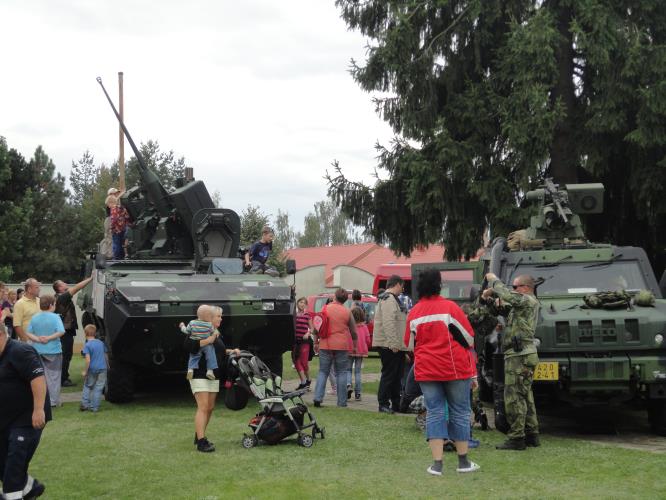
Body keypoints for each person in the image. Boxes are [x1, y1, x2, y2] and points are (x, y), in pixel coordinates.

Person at [405, 268, 480, 475]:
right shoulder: (450, 308)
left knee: (435, 413)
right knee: (460, 412)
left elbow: (409, 344)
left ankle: (437, 464)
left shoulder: (414, 313)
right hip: (454, 368)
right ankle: (463, 462)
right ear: (439, 284)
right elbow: (469, 338)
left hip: (427, 370)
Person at [483, 272, 540, 450]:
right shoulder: (521, 306)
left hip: (519, 355)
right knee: (525, 396)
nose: (513, 291)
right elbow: (502, 308)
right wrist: (490, 299)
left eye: (515, 287)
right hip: (523, 354)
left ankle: (516, 438)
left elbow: (507, 295)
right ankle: (531, 434)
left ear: (525, 288)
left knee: (513, 397)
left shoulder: (527, 300)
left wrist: (493, 281)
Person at [0, 320, 50, 499]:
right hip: (5, 418)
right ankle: (31, 488)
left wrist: (38, 410)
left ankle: (13, 496)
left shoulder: (20, 351)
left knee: (14, 463)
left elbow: (37, 380)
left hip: (27, 418)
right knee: (3, 465)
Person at [183, 305, 239, 452]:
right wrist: (209, 339)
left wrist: (231, 351)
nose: (221, 318)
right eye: (218, 316)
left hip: (213, 375)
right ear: (210, 318)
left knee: (210, 408)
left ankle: (199, 434)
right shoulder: (196, 331)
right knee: (203, 407)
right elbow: (190, 346)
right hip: (199, 373)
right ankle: (201, 442)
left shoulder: (217, 333)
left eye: (221, 316)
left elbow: (219, 350)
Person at [313, 288, 358, 408]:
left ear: (334, 296)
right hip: (341, 345)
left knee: (323, 371)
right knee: (342, 373)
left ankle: (318, 397)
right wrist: (354, 345)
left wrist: (315, 342)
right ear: (345, 300)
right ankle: (342, 402)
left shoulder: (325, 308)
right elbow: (354, 332)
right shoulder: (347, 312)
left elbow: (317, 326)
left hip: (325, 344)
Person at [373, 274, 409, 413]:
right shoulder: (388, 299)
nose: (403, 289)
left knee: (396, 376)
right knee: (389, 375)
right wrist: (394, 343)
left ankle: (396, 403)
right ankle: (383, 404)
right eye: (402, 286)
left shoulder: (392, 299)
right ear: (397, 284)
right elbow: (389, 322)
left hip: (395, 345)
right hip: (389, 345)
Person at [53, 276, 92, 387]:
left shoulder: (60, 297)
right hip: (64, 331)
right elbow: (76, 288)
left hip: (66, 330)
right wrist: (90, 279)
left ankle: (64, 377)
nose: (65, 283)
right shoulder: (62, 298)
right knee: (65, 355)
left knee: (67, 354)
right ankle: (63, 379)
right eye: (63, 283)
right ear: (59, 288)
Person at [26, 295, 64, 408]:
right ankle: (53, 400)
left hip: (37, 350)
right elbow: (61, 331)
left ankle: (42, 400)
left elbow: (28, 332)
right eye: (55, 304)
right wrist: (49, 338)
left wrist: (38, 339)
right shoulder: (55, 317)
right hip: (54, 351)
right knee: (54, 376)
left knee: (40, 376)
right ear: (51, 305)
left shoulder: (35, 317)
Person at [180, 305, 218, 381]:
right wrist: (216, 333)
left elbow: (186, 331)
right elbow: (213, 333)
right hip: (207, 345)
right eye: (211, 316)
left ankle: (190, 369)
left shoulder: (192, 323)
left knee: (193, 356)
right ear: (207, 316)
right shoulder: (210, 325)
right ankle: (210, 370)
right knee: (211, 354)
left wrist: (182, 326)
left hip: (195, 344)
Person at [80, 324, 108, 412]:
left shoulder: (87, 345)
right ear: (95, 333)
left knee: (88, 386)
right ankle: (94, 407)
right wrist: (108, 365)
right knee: (99, 388)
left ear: (85, 333)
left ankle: (84, 405)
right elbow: (105, 355)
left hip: (92, 368)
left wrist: (85, 371)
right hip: (103, 368)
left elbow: (88, 360)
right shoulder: (101, 343)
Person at [347, 307, 371, 401]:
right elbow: (368, 340)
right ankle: (358, 393)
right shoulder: (364, 327)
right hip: (361, 352)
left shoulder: (349, 327)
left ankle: (348, 384)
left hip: (350, 350)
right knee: (357, 372)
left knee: (348, 370)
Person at [293, 297, 313, 390]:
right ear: (297, 303)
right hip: (295, 342)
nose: (302, 304)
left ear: (306, 305)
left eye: (304, 303)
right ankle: (303, 382)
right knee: (296, 361)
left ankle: (308, 380)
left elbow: (312, 328)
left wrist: (308, 333)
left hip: (305, 342)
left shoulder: (307, 315)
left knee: (304, 363)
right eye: (301, 302)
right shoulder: (294, 315)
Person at [100, 188, 120, 258]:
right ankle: (109, 254)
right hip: (111, 221)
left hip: (112, 222)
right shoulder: (111, 202)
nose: (117, 194)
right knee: (110, 238)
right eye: (115, 193)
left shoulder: (117, 202)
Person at [110, 196, 130, 260]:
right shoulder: (123, 208)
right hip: (123, 228)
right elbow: (127, 216)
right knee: (122, 244)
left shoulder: (113, 208)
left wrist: (112, 227)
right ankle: (122, 257)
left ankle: (116, 258)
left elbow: (114, 219)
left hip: (116, 230)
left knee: (116, 244)